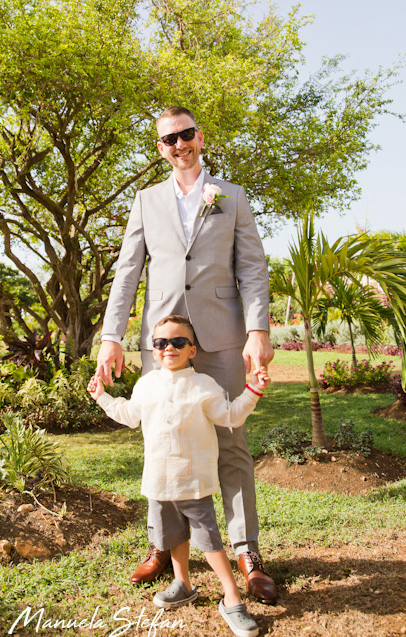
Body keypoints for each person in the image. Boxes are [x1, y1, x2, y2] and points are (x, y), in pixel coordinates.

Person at [96, 107, 276, 602]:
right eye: (169, 139)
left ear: (200, 137)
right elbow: (128, 271)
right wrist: (112, 336)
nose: (180, 144)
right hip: (163, 337)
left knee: (233, 441)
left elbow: (254, 269)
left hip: (221, 335)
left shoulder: (233, 197)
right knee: (161, 437)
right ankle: (164, 545)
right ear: (160, 148)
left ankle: (246, 552)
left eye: (186, 135)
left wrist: (257, 328)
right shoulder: (145, 201)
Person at [88, 315, 269, 637]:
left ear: (192, 350)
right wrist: (101, 396)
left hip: (193, 481)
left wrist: (253, 389)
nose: (168, 347)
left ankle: (231, 597)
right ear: (152, 349)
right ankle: (182, 583)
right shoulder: (146, 384)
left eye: (178, 342)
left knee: (210, 543)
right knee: (172, 538)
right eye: (160, 343)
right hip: (158, 482)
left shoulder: (203, 385)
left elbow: (230, 417)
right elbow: (129, 416)